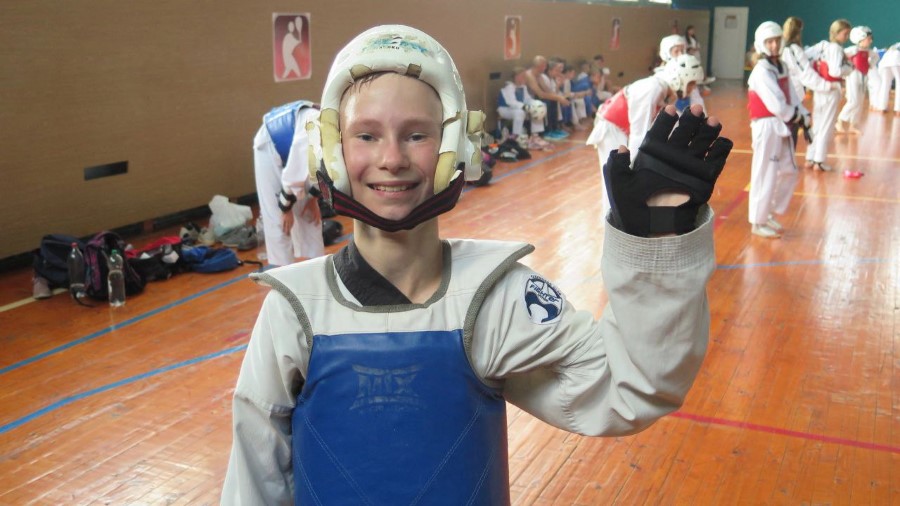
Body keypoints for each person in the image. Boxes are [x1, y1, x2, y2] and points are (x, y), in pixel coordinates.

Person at [222, 24, 733, 504]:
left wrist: (655, 245)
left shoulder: (496, 298)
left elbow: (631, 387)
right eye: (367, 135)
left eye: (417, 135)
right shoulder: (293, 311)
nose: (392, 158)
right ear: (330, 150)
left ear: (456, 147)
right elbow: (254, 480)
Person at [587, 53, 705, 213]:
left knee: (620, 182)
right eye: (691, 84)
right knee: (614, 181)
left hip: (621, 130)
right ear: (679, 77)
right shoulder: (651, 88)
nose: (691, 90)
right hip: (611, 129)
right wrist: (635, 167)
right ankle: (612, 222)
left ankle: (621, 216)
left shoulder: (663, 90)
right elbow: (639, 134)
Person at [747, 21, 809, 239]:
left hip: (781, 124)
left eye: (776, 40)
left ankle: (768, 212)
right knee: (765, 173)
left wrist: (805, 115)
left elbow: (792, 96)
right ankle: (758, 221)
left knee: (789, 170)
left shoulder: (780, 66)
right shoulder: (761, 71)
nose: (774, 45)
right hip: (766, 126)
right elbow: (777, 104)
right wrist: (797, 116)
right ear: (761, 44)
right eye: (769, 42)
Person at [253, 101, 324, 266]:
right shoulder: (315, 124)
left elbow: (327, 171)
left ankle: (318, 269)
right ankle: (282, 274)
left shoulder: (344, 136)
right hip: (268, 142)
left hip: (294, 146)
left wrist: (313, 199)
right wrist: (286, 209)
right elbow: (294, 174)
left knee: (310, 216)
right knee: (278, 220)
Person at [780, 16, 841, 146]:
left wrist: (821, 46)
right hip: (791, 96)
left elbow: (804, 59)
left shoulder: (790, 49)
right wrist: (827, 85)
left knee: (790, 132)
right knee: (789, 134)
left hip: (792, 96)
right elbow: (805, 73)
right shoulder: (792, 49)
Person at [805, 19, 853, 172]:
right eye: (845, 34)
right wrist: (849, 67)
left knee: (818, 124)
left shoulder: (823, 47)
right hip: (831, 89)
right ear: (837, 33)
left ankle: (811, 157)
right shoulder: (836, 49)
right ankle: (819, 160)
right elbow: (835, 71)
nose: (846, 37)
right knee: (826, 126)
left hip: (820, 89)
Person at [496, 66, 551, 150]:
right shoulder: (509, 87)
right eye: (523, 76)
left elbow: (527, 99)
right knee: (520, 112)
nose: (525, 78)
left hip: (517, 108)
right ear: (517, 77)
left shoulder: (523, 87)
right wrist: (525, 107)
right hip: (505, 109)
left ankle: (535, 136)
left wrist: (535, 104)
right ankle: (516, 137)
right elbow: (511, 102)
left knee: (537, 108)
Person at [836, 26, 874, 134]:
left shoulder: (868, 51)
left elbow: (875, 58)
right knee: (853, 100)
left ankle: (852, 125)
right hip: (853, 75)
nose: (870, 41)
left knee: (860, 101)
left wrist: (870, 64)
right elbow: (841, 56)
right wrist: (845, 69)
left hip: (863, 75)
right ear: (860, 38)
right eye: (868, 38)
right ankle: (840, 120)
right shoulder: (853, 50)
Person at [524, 55, 570, 139]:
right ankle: (547, 131)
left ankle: (554, 128)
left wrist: (559, 98)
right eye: (544, 66)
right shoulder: (529, 75)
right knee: (546, 102)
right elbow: (540, 94)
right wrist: (559, 98)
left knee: (553, 100)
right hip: (526, 100)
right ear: (539, 66)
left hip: (534, 98)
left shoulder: (539, 75)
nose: (545, 68)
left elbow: (547, 90)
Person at [872, 42, 900, 114]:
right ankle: (898, 109)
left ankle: (882, 107)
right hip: (897, 61)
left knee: (885, 84)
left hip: (885, 62)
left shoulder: (896, 44)